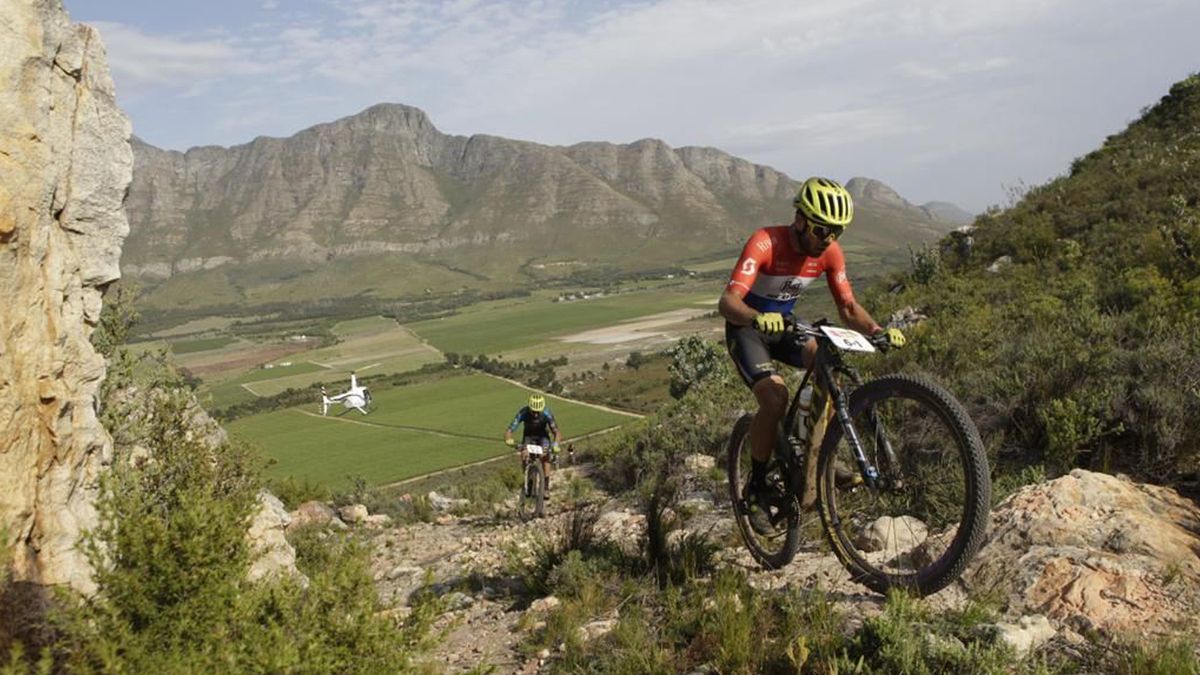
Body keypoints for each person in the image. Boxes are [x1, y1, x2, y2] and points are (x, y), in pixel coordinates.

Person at [717, 176, 906, 534]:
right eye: (822, 230)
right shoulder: (765, 242)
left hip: (785, 325)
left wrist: (878, 332)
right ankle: (756, 487)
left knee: (827, 360)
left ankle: (815, 452)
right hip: (747, 326)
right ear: (801, 219)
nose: (829, 239)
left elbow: (848, 307)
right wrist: (758, 318)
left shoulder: (829, 253)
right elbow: (728, 302)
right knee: (775, 398)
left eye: (837, 232)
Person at [504, 393, 562, 497]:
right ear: (529, 408)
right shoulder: (523, 412)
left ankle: (546, 488)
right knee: (524, 454)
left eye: (538, 412)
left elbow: (556, 432)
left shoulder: (547, 413)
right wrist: (508, 439)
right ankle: (528, 480)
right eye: (533, 411)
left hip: (542, 437)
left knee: (545, 457)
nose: (535, 414)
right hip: (528, 437)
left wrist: (556, 444)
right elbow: (510, 429)